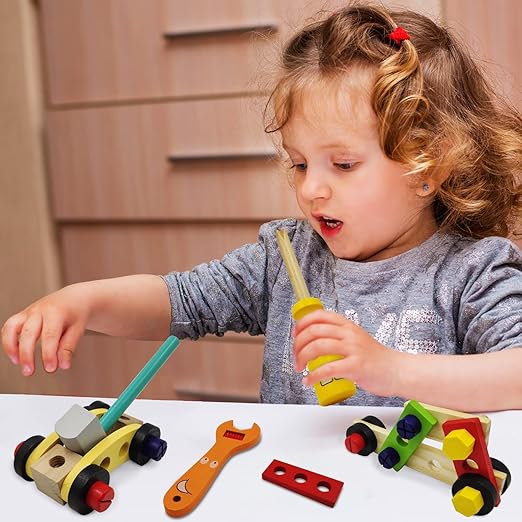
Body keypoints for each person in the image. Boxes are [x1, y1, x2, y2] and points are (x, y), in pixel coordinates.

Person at [2, 3, 522, 412]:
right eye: (299, 164)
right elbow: (179, 299)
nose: (311, 190)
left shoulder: (471, 273)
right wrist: (85, 301)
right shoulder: (287, 258)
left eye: (342, 165)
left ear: (427, 167)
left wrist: (389, 369)